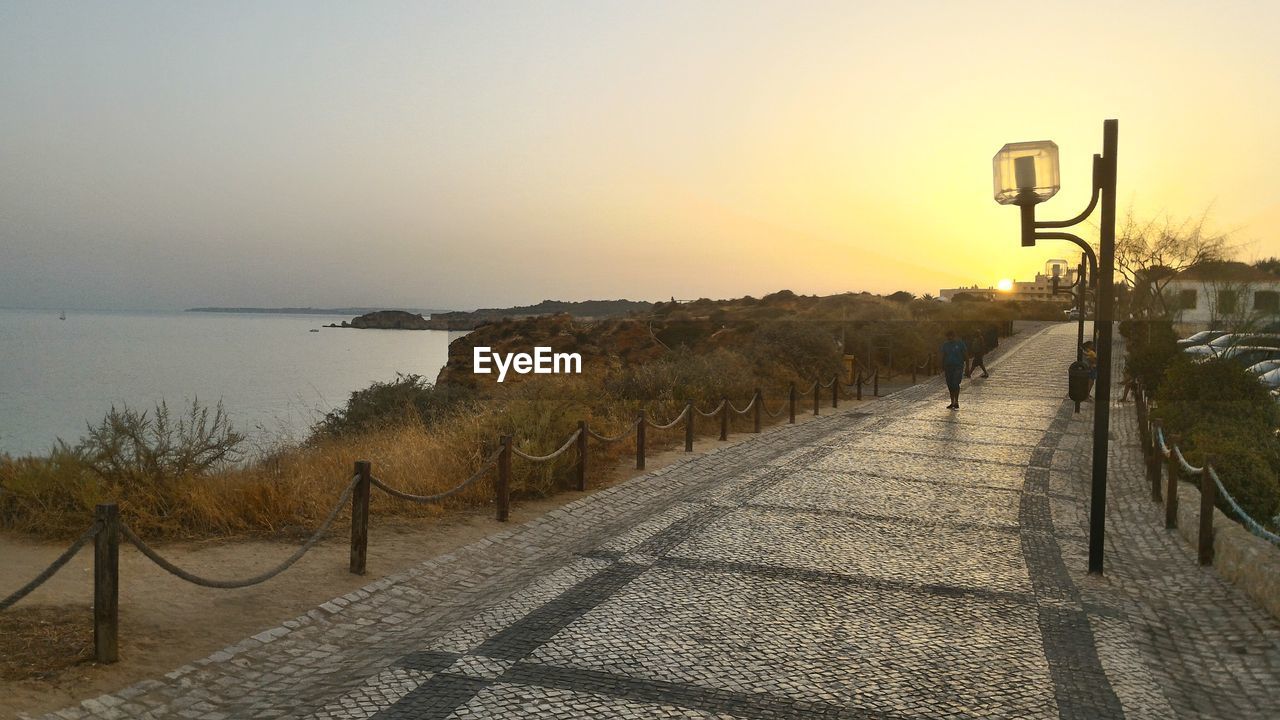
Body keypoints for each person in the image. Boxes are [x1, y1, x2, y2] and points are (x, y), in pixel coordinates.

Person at [940, 330, 968, 410]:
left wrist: (967, 367)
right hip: (948, 367)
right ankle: (952, 402)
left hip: (958, 366)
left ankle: (956, 401)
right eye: (948, 337)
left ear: (954, 336)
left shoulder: (960, 343)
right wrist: (941, 367)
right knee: (950, 385)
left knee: (955, 383)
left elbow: (966, 355)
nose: (950, 338)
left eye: (951, 336)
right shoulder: (945, 345)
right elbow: (943, 355)